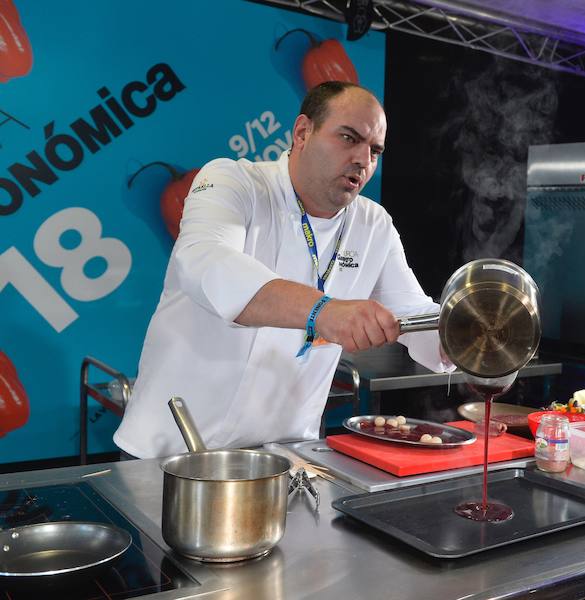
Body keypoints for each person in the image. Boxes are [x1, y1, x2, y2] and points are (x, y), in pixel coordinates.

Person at [114, 81, 450, 459]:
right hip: (171, 452)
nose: (363, 160)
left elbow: (415, 314)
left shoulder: (373, 225)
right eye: (348, 138)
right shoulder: (233, 181)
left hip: (281, 460)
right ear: (303, 132)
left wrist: (482, 340)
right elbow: (205, 262)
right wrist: (324, 311)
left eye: (374, 151)